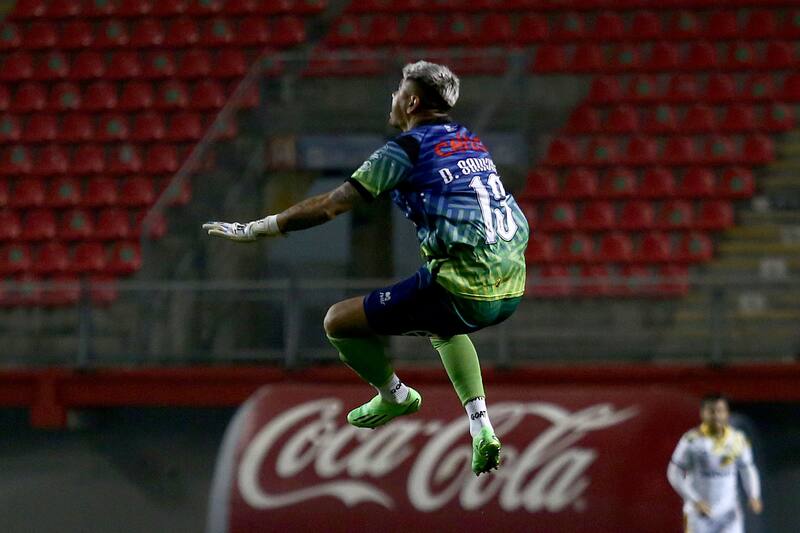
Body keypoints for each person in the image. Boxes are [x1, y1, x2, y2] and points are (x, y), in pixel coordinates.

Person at [203, 61, 529, 475]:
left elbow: (330, 205)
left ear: (411, 101)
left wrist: (258, 229)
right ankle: (481, 426)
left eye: (397, 89)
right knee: (443, 326)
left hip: (461, 289)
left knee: (338, 322)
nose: (392, 97)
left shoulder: (403, 150)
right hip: (510, 287)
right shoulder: (468, 139)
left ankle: (394, 394)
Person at [667, 394, 762, 533]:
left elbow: (747, 468)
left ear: (727, 413)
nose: (716, 415)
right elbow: (674, 472)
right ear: (702, 414)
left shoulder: (737, 440)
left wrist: (753, 495)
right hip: (699, 513)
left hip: (729, 512)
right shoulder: (691, 441)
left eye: (720, 410)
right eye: (711, 411)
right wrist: (694, 500)